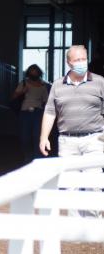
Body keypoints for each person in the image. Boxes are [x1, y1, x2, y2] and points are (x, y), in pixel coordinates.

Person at [39, 45, 104, 218]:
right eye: (77, 60)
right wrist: (44, 137)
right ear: (69, 62)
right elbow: (50, 112)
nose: (81, 63)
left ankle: (93, 224)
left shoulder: (100, 82)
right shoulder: (57, 85)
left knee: (94, 183)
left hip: (94, 139)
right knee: (70, 185)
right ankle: (75, 226)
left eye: (83, 59)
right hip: (67, 142)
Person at [12, 64, 49, 163]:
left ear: (39, 73)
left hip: (38, 113)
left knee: (37, 136)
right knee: (25, 137)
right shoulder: (24, 83)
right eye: (32, 71)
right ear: (29, 73)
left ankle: (37, 158)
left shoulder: (43, 85)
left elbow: (46, 101)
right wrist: (23, 91)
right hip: (25, 112)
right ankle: (28, 156)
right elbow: (14, 96)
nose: (34, 73)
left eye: (35, 71)